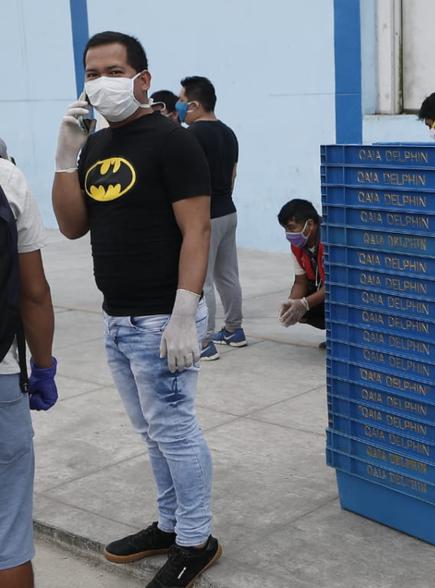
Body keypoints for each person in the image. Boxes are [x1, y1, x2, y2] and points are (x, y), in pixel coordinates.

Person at [51, 31, 221, 587]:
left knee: (175, 431)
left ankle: (196, 540)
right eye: (92, 74)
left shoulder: (173, 141)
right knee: (153, 432)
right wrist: (65, 158)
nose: (101, 83)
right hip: (117, 317)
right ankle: (171, 526)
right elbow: (72, 226)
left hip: (161, 317)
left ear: (142, 79)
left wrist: (184, 313)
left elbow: (197, 231)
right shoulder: (96, 145)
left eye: (114, 72)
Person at [0, 156, 57, 588]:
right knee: (9, 535)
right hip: (2, 375)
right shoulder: (7, 177)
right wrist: (43, 366)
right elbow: (33, 293)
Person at [177, 76, 245, 361]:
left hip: (205, 216)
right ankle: (234, 330)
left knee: (200, 280)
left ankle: (204, 341)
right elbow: (232, 174)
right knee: (227, 274)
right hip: (228, 210)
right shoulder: (229, 133)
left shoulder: (191, 136)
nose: (178, 106)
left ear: (194, 105)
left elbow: (185, 181)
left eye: (181, 101)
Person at [277, 199, 325, 343]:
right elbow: (300, 282)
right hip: (323, 288)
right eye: (285, 229)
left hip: (343, 291)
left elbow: (336, 285)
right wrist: (292, 303)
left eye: (291, 228)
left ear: (310, 224)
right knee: (299, 312)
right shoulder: (298, 246)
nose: (288, 234)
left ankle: (340, 335)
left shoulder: (330, 241)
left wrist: (305, 303)